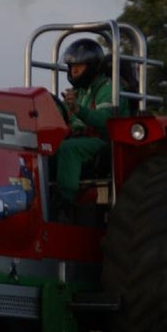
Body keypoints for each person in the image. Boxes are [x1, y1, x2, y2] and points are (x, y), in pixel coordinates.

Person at [55, 38, 122, 209]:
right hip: (79, 139)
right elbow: (63, 114)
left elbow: (106, 121)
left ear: (92, 66)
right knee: (45, 147)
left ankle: (64, 204)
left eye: (79, 65)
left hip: (102, 141)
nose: (74, 70)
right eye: (71, 66)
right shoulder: (78, 92)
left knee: (68, 149)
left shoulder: (107, 88)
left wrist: (78, 110)